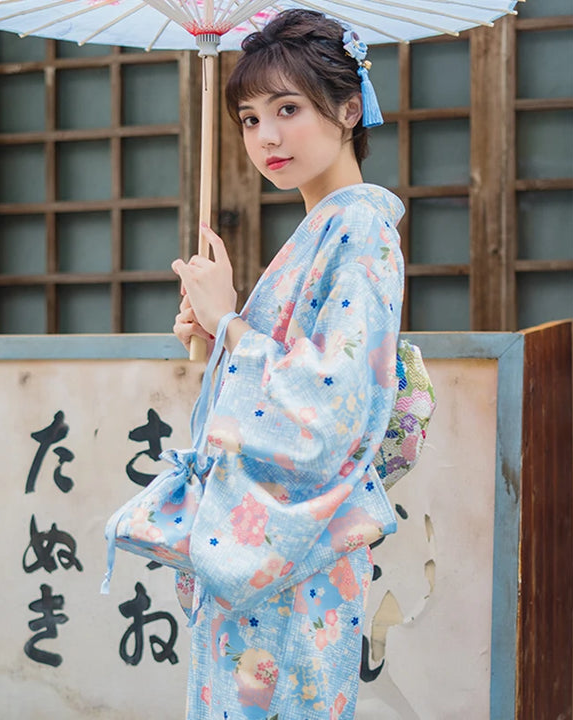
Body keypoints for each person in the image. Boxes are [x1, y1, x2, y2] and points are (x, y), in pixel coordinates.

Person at [170, 9, 404, 719]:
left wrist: (233, 324)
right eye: (247, 118)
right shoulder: (320, 230)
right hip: (266, 551)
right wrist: (219, 338)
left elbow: (333, 400)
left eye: (288, 109)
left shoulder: (359, 228)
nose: (265, 137)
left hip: (294, 557)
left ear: (349, 107)